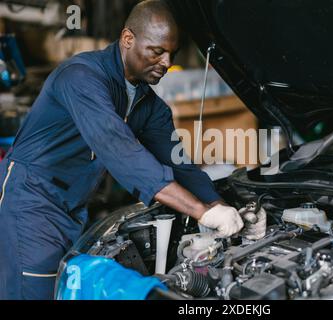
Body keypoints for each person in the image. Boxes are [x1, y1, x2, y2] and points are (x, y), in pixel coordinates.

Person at [0, 0, 248, 300]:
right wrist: (199, 212)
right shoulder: (81, 78)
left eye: (173, 53)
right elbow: (123, 154)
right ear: (128, 39)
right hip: (30, 202)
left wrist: (224, 210)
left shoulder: (149, 105)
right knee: (36, 292)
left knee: (66, 289)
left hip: (74, 208)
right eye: (157, 51)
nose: (167, 62)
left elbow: (181, 166)